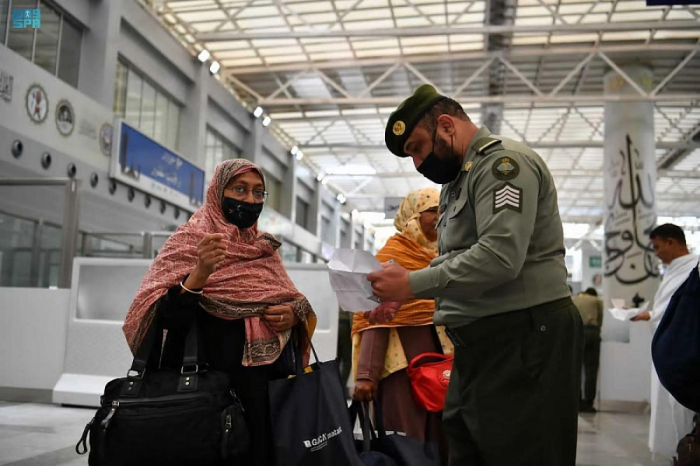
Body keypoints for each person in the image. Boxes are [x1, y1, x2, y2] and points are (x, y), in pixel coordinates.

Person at [365, 84, 583, 466]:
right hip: (480, 346)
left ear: (446, 125)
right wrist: (407, 289)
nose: (417, 163)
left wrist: (413, 283)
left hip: (523, 337)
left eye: (417, 147)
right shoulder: (457, 182)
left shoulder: (503, 166)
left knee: (522, 452)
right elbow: (455, 257)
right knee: (471, 450)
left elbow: (499, 257)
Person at [122, 159, 317, 466]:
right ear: (217, 191)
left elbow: (292, 298)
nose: (250, 200)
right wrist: (200, 273)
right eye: (239, 189)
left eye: (258, 193)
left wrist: (293, 314)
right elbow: (160, 319)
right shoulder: (189, 241)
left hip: (265, 393)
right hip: (207, 391)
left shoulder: (264, 248)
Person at [351, 188, 453, 464]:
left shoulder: (450, 257)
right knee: (407, 442)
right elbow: (373, 320)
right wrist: (366, 376)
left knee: (445, 439)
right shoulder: (391, 256)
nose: (439, 217)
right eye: (431, 211)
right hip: (402, 370)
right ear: (411, 216)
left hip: (445, 367)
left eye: (442, 211)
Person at [631, 223, 698, 460]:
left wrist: (650, 314)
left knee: (683, 411)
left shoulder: (692, 268)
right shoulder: (675, 270)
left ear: (672, 242)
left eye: (658, 246)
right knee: (669, 410)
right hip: (669, 351)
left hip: (685, 352)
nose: (656, 252)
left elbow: (679, 308)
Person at [572, 287, 604, 413]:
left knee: (576, 369)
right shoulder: (597, 300)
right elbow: (600, 318)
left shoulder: (574, 299)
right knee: (591, 369)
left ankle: (577, 401)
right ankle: (589, 403)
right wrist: (597, 330)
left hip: (577, 332)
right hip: (592, 332)